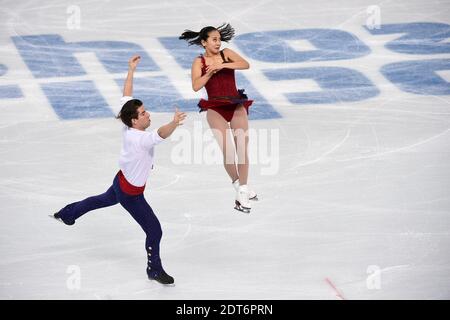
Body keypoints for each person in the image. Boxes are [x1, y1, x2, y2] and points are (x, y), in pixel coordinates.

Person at [51, 55, 186, 285]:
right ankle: (154, 270)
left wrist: (131, 70)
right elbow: (160, 134)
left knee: (100, 200)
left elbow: (127, 96)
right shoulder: (139, 139)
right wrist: (174, 123)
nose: (148, 114)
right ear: (134, 121)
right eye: (143, 114)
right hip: (130, 194)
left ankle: (67, 214)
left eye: (145, 110)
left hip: (120, 180)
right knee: (155, 231)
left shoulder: (129, 123)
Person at [179, 23, 257, 214]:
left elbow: (245, 64)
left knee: (242, 148)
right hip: (215, 108)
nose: (217, 42)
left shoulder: (226, 53)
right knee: (228, 151)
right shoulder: (199, 62)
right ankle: (238, 186)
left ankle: (244, 191)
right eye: (214, 39)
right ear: (204, 42)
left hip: (235, 105)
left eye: (219, 39)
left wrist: (223, 64)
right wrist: (210, 71)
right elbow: (196, 86)